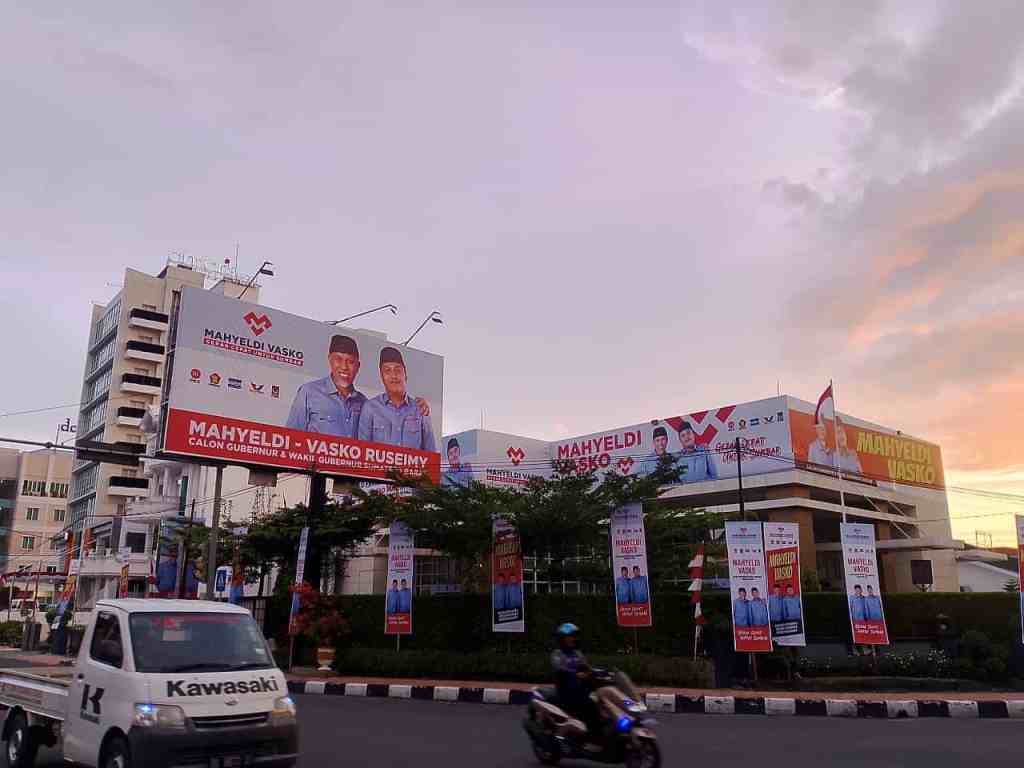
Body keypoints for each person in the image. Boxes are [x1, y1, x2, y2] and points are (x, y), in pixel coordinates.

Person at [357, 347, 437, 452]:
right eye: (387, 370)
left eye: (398, 370)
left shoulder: (420, 409)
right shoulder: (370, 408)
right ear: (382, 376)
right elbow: (362, 453)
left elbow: (431, 453)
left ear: (406, 375)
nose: (393, 375)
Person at [286, 335, 367, 436]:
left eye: (350, 362)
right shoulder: (309, 393)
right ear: (330, 359)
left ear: (358, 366)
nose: (344, 367)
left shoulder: (364, 403)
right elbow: (291, 437)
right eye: (338, 359)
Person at [550, 623, 600, 744]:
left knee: (600, 701)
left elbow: (587, 667)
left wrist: (599, 672)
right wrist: (574, 674)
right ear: (562, 639)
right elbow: (560, 668)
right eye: (569, 636)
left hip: (580, 688)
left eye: (574, 636)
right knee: (590, 705)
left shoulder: (577, 653)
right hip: (565, 690)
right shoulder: (557, 654)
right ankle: (590, 736)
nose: (573, 639)